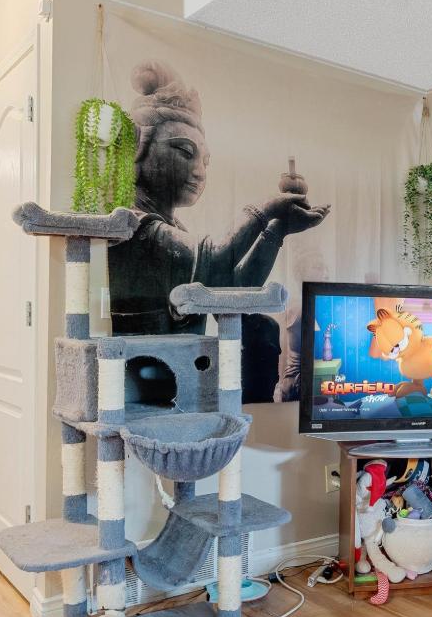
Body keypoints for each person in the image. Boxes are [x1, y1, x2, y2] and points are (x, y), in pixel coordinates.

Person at [107, 60, 329, 400]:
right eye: (184, 151)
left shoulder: (172, 227)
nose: (199, 171)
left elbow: (234, 288)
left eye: (205, 161)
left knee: (261, 327)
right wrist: (267, 211)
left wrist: (276, 231)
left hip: (176, 380)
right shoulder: (135, 225)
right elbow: (214, 258)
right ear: (138, 147)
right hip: (140, 385)